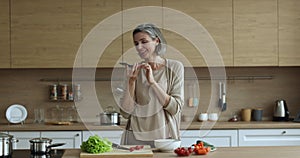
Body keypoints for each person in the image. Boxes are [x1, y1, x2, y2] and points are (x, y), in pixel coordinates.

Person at [120, 23, 184, 147]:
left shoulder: (175, 67)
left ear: (156, 41)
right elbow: (125, 112)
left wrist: (152, 82)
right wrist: (131, 82)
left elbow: (175, 108)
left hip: (166, 137)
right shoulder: (133, 71)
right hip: (135, 137)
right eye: (136, 43)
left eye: (144, 42)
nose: (139, 47)